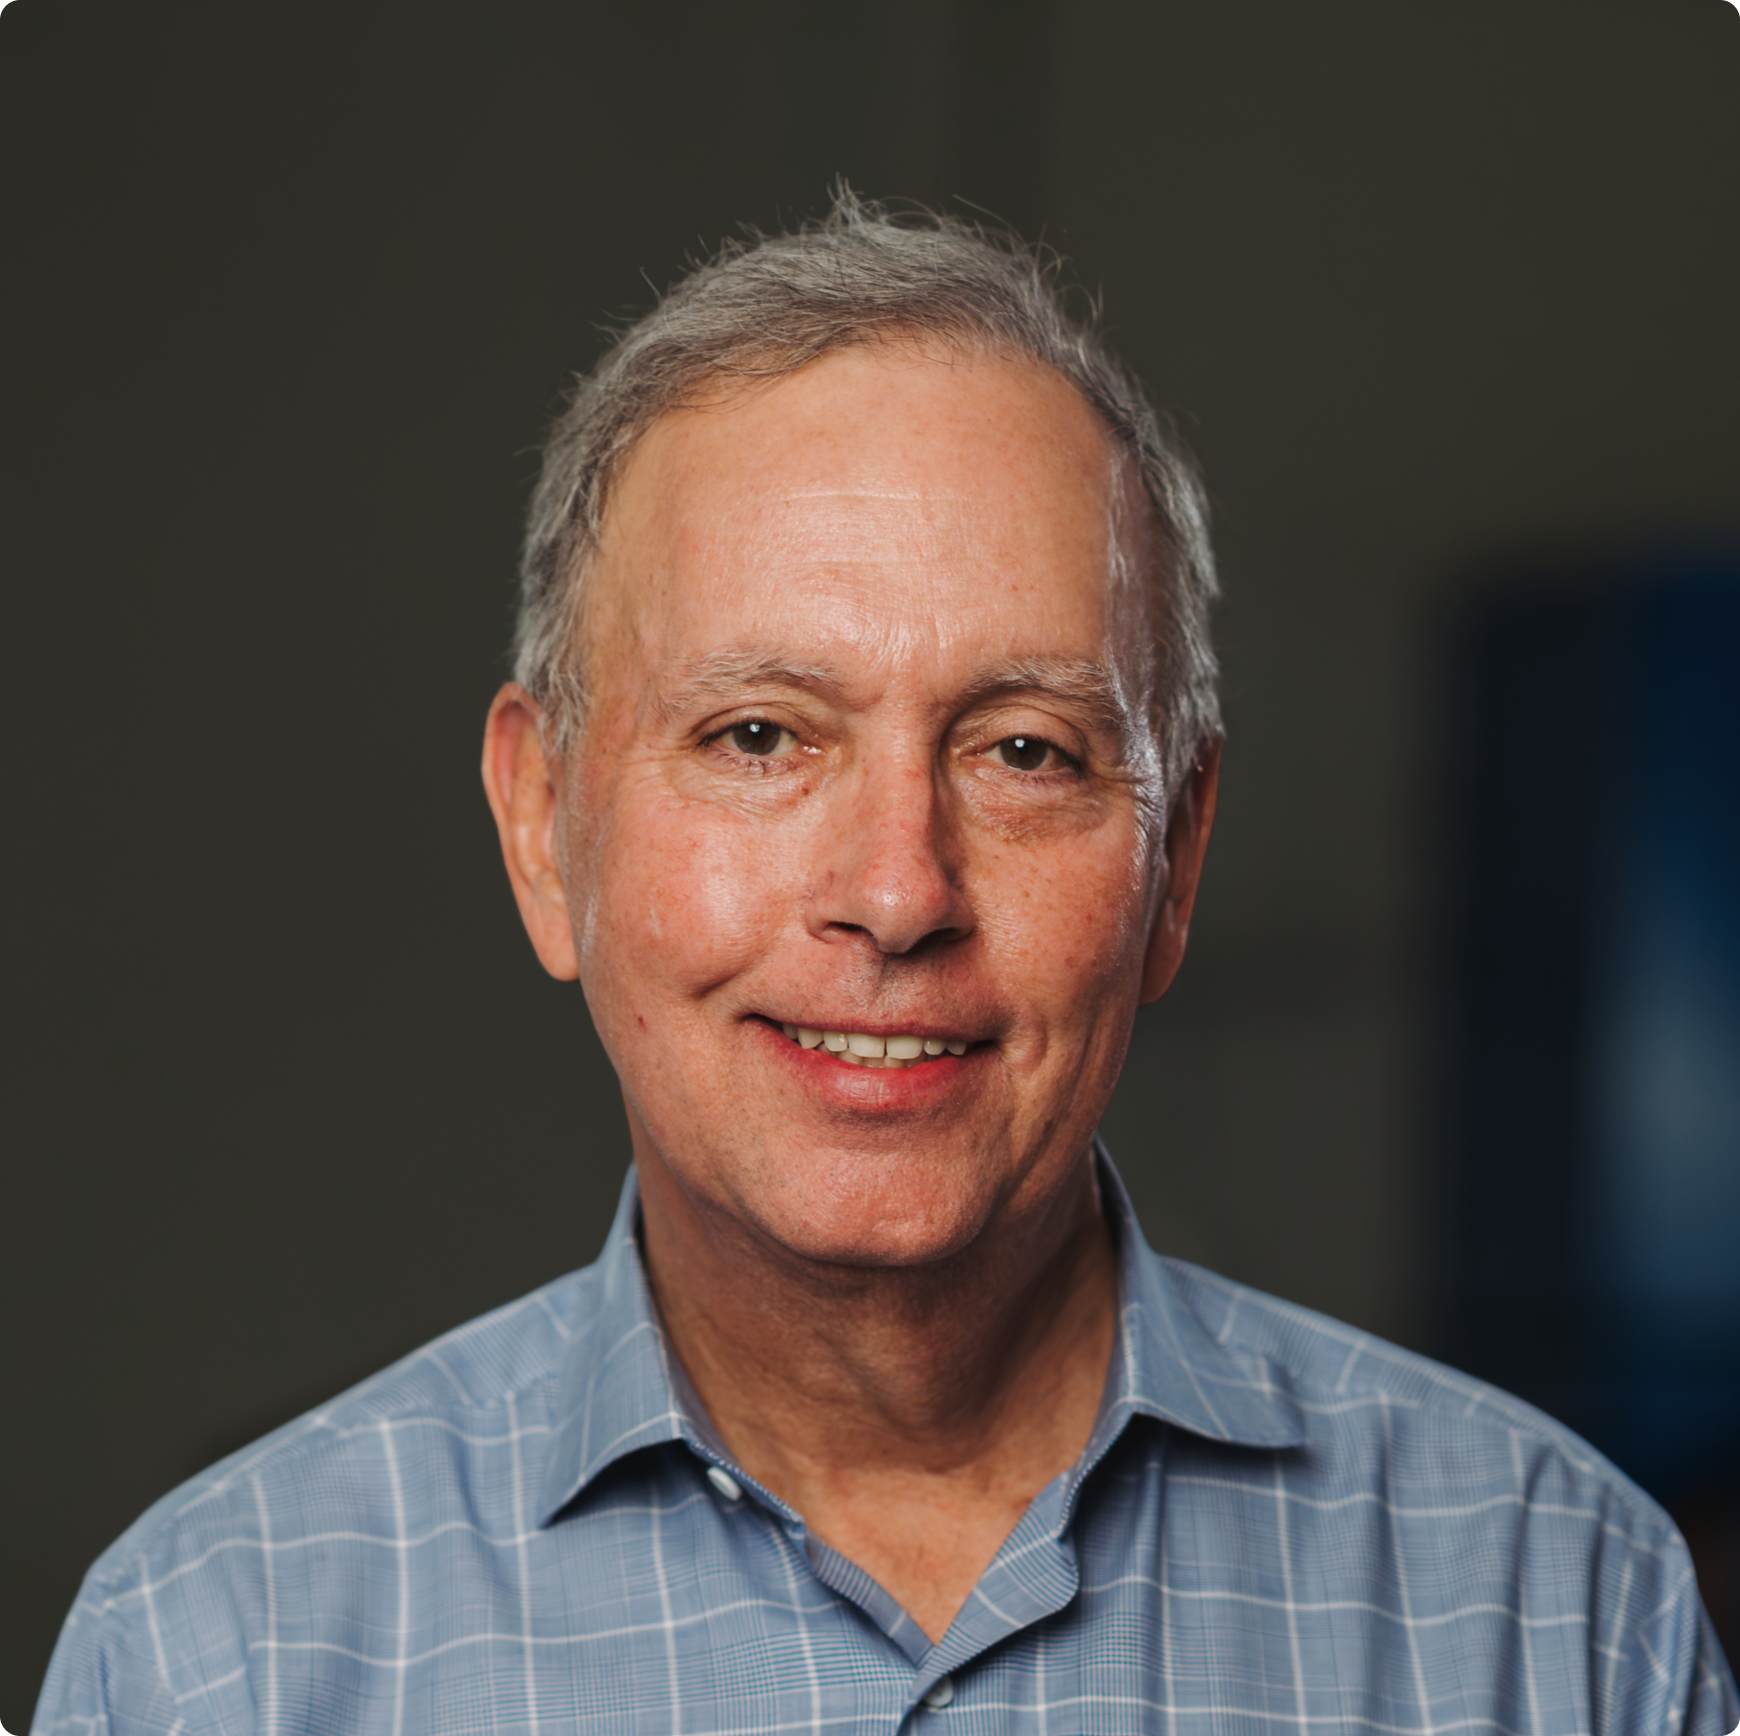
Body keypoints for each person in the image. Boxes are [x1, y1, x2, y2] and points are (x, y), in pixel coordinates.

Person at [35, 191, 1737, 1736]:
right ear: (545, 827)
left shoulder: (1559, 1612)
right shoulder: (218, 1653)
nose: (898, 893)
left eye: (1025, 753)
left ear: (1179, 857)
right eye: (763, 733)